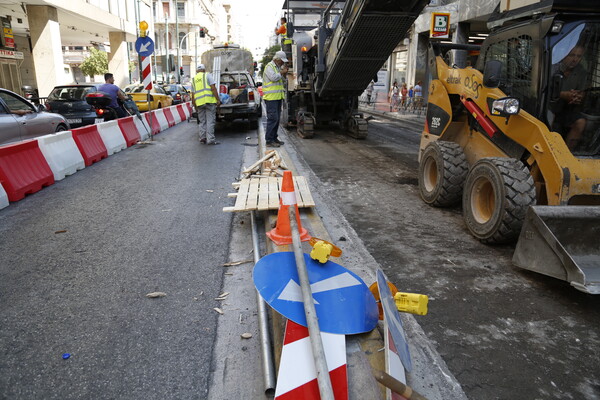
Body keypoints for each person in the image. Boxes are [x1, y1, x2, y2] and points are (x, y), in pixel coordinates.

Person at [550, 44, 588, 150]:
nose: (575, 59)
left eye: (578, 56)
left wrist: (578, 96)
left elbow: (582, 91)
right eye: (572, 55)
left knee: (581, 122)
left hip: (567, 108)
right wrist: (563, 95)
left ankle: (567, 154)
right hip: (547, 106)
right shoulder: (552, 68)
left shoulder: (581, 72)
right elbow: (541, 90)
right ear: (564, 55)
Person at [262, 50, 288, 148]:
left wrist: (283, 74)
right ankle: (269, 140)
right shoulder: (269, 67)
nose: (282, 63)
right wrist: (282, 72)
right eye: (281, 60)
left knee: (277, 119)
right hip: (271, 98)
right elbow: (274, 78)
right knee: (273, 119)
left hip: (277, 97)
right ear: (277, 59)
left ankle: (274, 138)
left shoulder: (277, 67)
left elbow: (283, 80)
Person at [192, 64, 221, 145]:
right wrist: (218, 99)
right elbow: (213, 88)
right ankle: (210, 140)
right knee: (210, 121)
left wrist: (195, 106)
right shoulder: (207, 75)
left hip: (199, 103)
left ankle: (202, 138)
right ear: (204, 70)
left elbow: (193, 95)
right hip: (209, 102)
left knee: (202, 121)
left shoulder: (194, 79)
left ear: (197, 71)